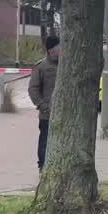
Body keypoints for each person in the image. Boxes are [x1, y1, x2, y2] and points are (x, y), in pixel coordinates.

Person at [28, 35, 60, 170]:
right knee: (45, 141)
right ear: (51, 50)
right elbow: (33, 89)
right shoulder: (41, 67)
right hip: (47, 113)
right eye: (59, 47)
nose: (62, 50)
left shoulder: (67, 66)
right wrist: (42, 105)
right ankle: (42, 167)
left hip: (63, 113)